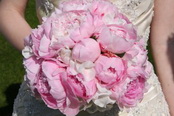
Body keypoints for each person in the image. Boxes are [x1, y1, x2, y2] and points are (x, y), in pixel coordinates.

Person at [0, 0, 173, 115]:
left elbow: (164, 42)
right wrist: (46, 54)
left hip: (137, 101)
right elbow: (8, 9)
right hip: (51, 93)